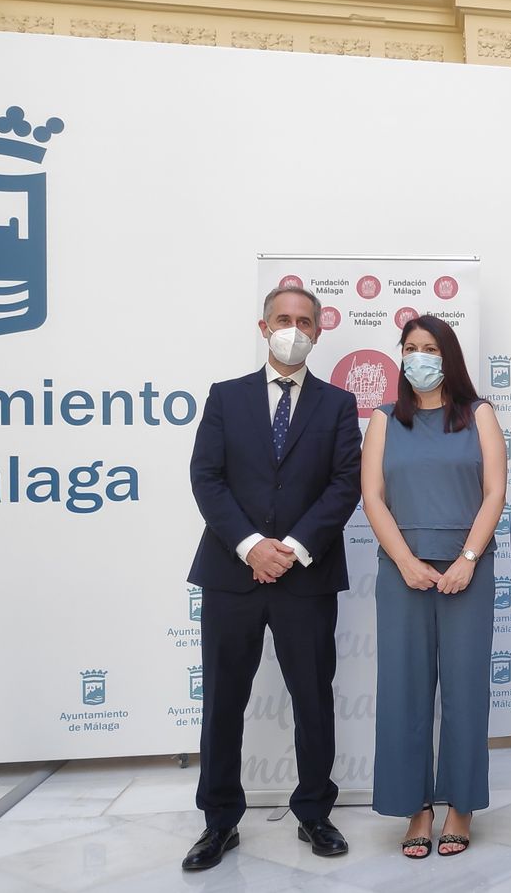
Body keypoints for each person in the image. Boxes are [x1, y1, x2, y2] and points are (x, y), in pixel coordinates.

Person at [184, 283, 362, 870]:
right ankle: (218, 821)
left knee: (312, 699)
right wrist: (250, 546)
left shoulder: (336, 405)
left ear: (318, 331)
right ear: (263, 328)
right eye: (282, 319)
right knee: (223, 700)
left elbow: (344, 485)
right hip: (232, 574)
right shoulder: (225, 397)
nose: (293, 328)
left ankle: (314, 809)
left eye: (304, 321)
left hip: (304, 577)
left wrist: (289, 548)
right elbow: (206, 477)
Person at [361, 314, 506, 859]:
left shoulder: (478, 414)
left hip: (467, 568)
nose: (419, 356)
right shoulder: (381, 420)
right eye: (410, 347)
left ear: (448, 356)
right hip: (403, 571)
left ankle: (460, 807)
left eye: (430, 348)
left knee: (467, 691)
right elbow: (372, 496)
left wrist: (468, 559)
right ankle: (415, 806)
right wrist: (405, 561)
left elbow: (494, 492)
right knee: (404, 691)